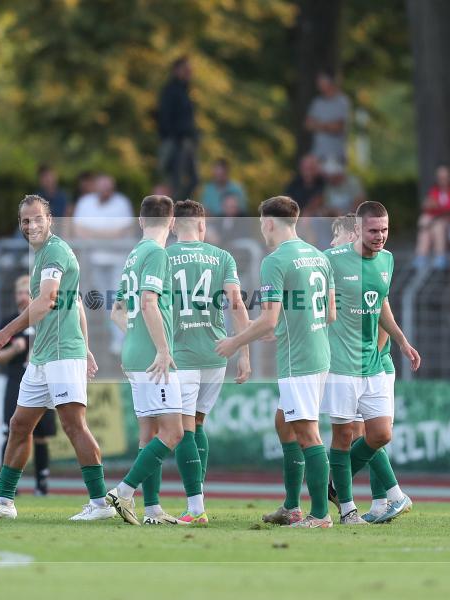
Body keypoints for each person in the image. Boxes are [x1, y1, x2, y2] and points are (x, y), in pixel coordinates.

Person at [0, 195, 114, 522]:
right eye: (25, 221)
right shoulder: (44, 254)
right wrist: (89, 345)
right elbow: (75, 302)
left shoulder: (54, 251)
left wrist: (6, 332)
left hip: (62, 354)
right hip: (43, 355)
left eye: (37, 219)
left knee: (73, 425)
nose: (31, 225)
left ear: (50, 219)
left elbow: (47, 301)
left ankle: (100, 503)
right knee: (19, 425)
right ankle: (5, 501)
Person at [216, 196, 336, 528]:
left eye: (260, 224)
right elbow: (329, 313)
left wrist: (234, 342)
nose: (261, 230)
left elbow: (268, 321)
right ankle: (291, 506)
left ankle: (320, 515)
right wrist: (285, 325)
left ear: (269, 223)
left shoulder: (274, 260)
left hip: (299, 359)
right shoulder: (318, 256)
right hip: (318, 352)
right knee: (284, 423)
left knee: (307, 434)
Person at [322, 206, 420, 526]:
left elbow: (380, 307)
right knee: (344, 436)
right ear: (358, 229)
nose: (380, 237)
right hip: (341, 366)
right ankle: (351, 508)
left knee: (380, 435)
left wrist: (402, 342)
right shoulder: (332, 261)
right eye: (373, 231)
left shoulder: (387, 261)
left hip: (374, 365)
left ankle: (335, 482)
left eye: (384, 230)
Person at [167, 200, 252, 524]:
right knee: (198, 424)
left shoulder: (163, 256)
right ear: (202, 226)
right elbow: (236, 305)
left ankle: (196, 507)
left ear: (174, 225)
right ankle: (198, 495)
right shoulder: (222, 257)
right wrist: (243, 353)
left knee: (183, 429)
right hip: (217, 353)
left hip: (181, 354)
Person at [106, 195, 185, 526]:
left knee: (148, 432)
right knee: (173, 432)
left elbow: (116, 312)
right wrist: (163, 349)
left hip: (135, 351)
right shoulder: (156, 253)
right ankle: (123, 492)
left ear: (140, 221)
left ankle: (152, 510)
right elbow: (149, 303)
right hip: (153, 356)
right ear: (172, 223)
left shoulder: (133, 254)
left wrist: (136, 339)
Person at [0, 274, 56, 497]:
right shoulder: (9, 323)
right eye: (18, 293)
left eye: (26, 293)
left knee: (40, 435)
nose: (21, 297)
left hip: (42, 380)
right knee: (11, 431)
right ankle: (9, 485)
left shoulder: (46, 321)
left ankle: (42, 485)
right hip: (16, 381)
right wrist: (15, 349)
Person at [71, 174, 135, 355]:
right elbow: (78, 230)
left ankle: (121, 341)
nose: (105, 192)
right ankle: (112, 339)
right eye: (102, 188)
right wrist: (107, 234)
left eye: (108, 189)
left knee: (117, 299)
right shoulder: (85, 202)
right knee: (103, 302)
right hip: (93, 261)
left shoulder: (122, 202)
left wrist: (94, 234)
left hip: (118, 261)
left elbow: (123, 231)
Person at [158, 56, 198, 200]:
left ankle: (180, 207)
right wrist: (174, 138)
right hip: (176, 142)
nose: (189, 72)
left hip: (185, 141)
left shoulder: (185, 91)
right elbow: (164, 117)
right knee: (176, 181)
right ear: (176, 70)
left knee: (192, 180)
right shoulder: (171, 91)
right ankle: (175, 209)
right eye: (186, 69)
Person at [414, 165, 450, 269]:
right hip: (436, 224)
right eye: (440, 177)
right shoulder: (435, 190)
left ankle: (440, 256)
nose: (443, 180)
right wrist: (431, 207)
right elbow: (428, 209)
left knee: (437, 224)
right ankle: (421, 257)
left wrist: (437, 207)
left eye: (445, 177)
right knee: (425, 220)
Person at [305, 70, 351, 163]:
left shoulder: (342, 101)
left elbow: (338, 127)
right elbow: (308, 125)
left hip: (336, 156)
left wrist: (318, 125)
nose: (318, 84)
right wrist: (328, 126)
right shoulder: (317, 102)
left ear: (330, 82)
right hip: (318, 155)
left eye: (321, 81)